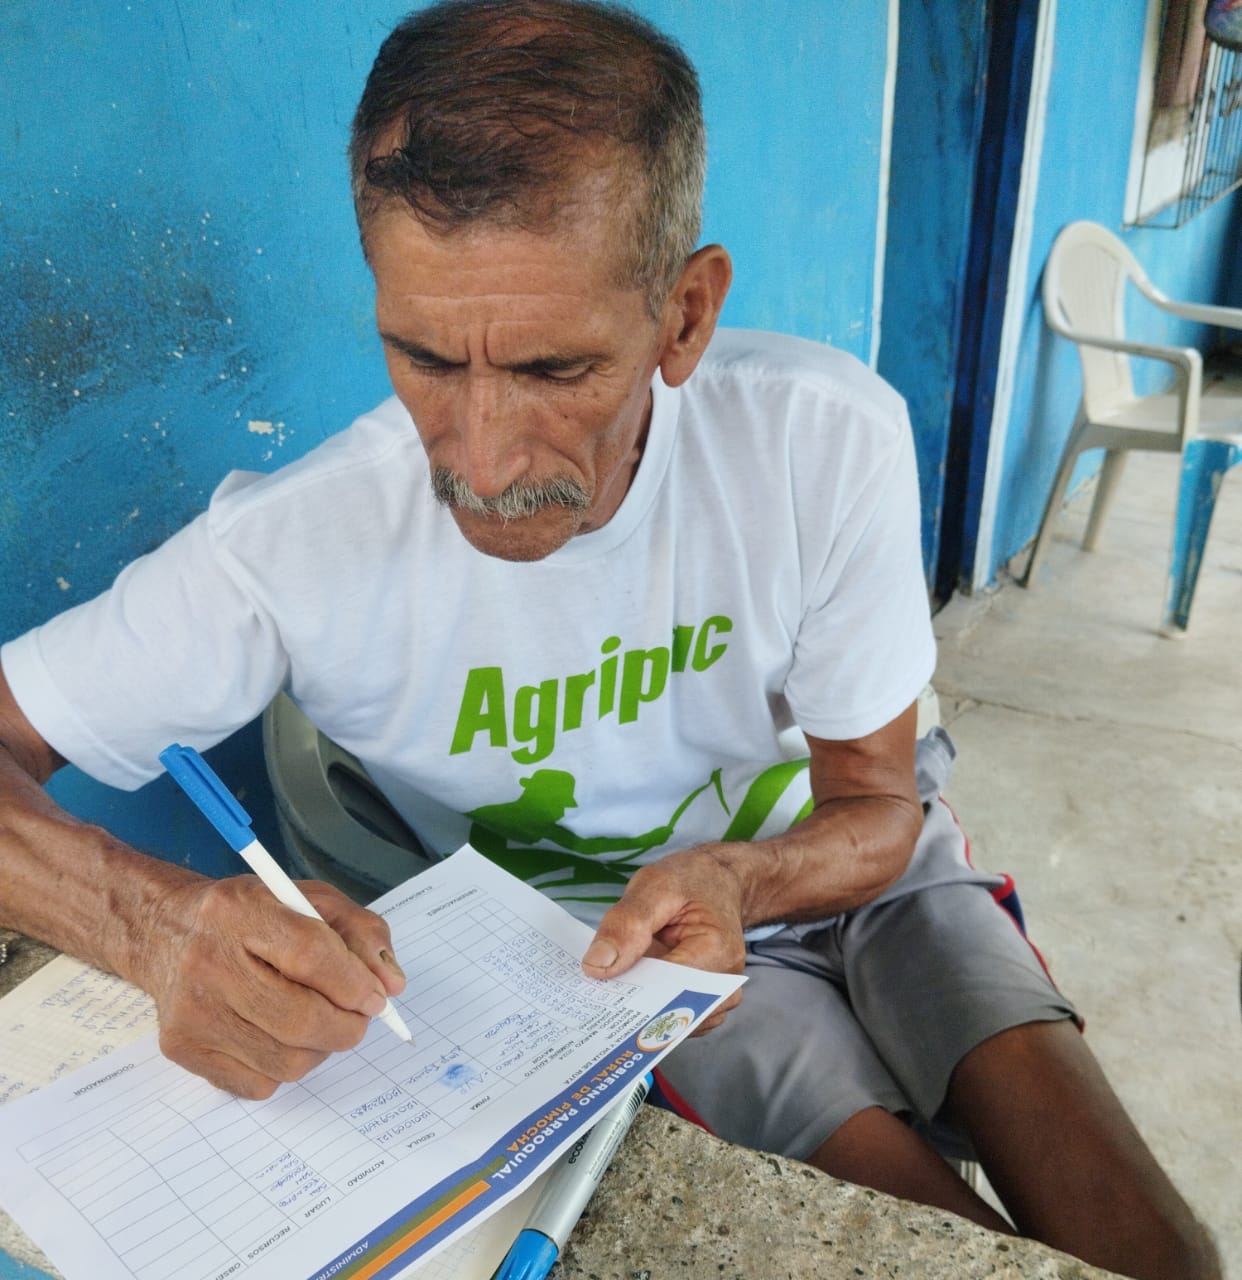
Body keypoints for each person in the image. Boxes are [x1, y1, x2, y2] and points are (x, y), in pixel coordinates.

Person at [0, 3, 1219, 1277]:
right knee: (927, 1246)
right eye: (424, 357)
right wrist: (150, 923)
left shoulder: (819, 439)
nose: (482, 461)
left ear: (684, 316)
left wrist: (743, 877)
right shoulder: (293, 545)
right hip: (614, 956)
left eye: (553, 371)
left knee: (1136, 1226)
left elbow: (876, 806)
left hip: (856, 869)